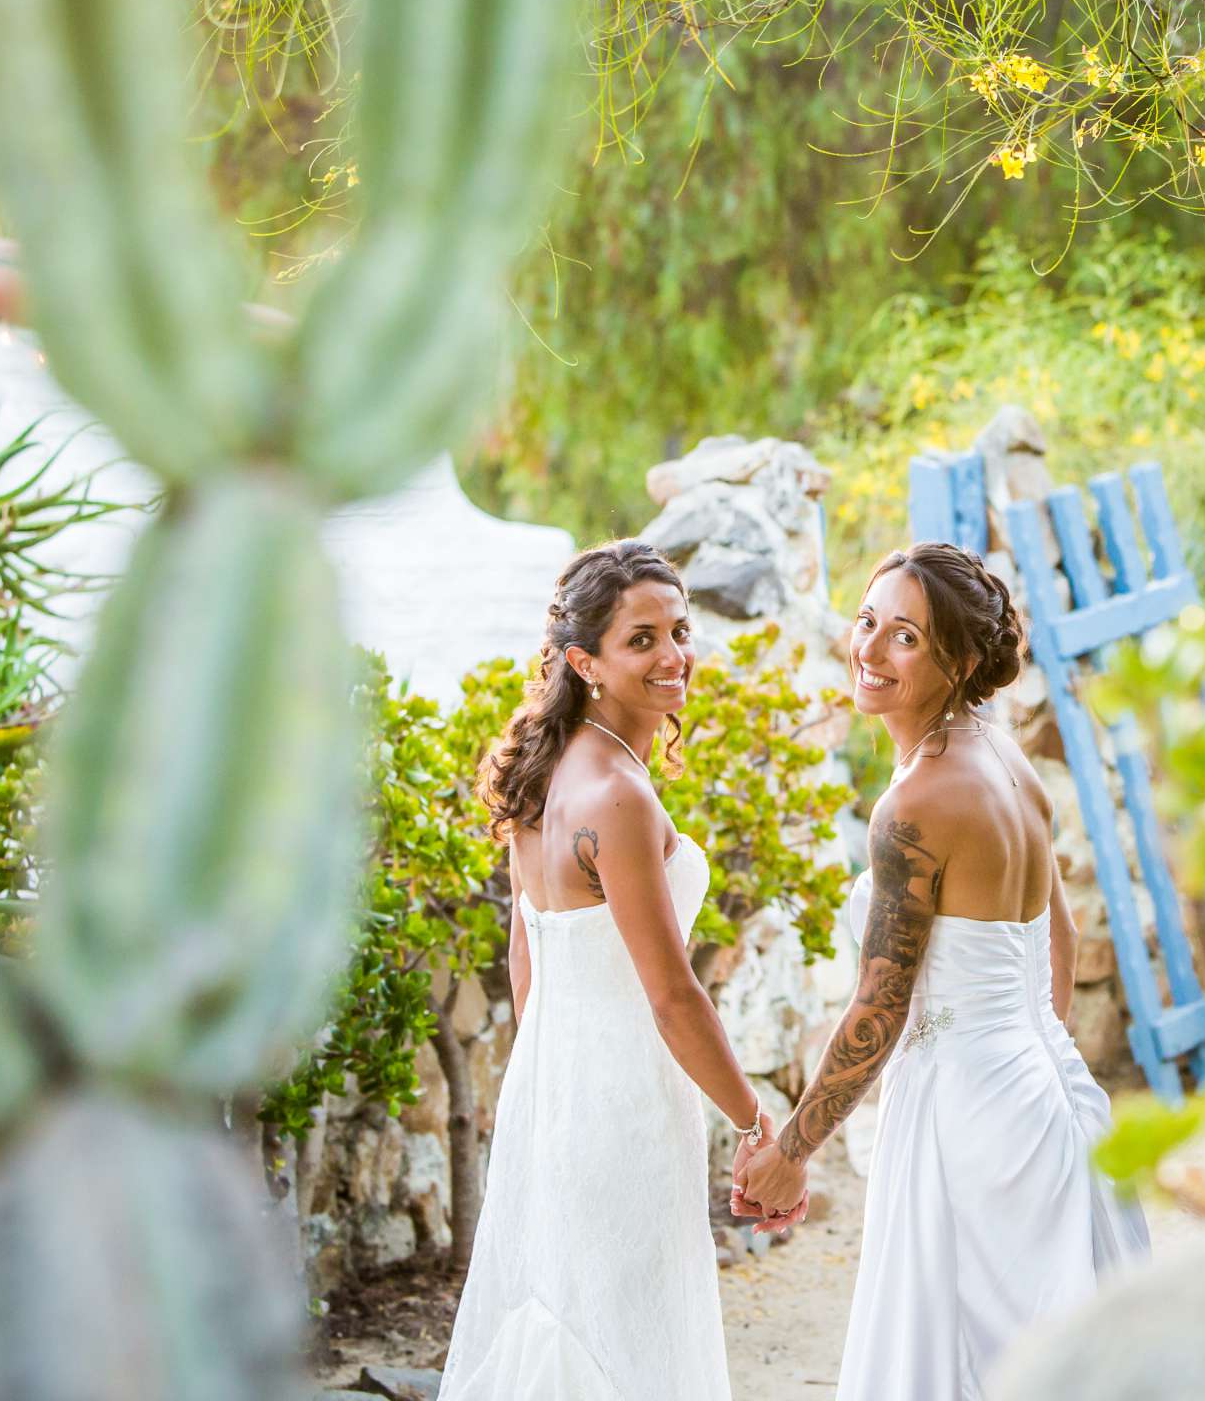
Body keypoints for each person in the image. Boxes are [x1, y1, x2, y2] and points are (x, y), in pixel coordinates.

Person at [736, 541, 1149, 1400]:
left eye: (906, 639)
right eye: (866, 622)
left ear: (959, 661)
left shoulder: (915, 803)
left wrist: (791, 1152)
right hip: (1043, 1093)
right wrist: (1028, 1051)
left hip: (965, 1114)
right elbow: (1057, 937)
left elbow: (878, 1009)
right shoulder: (1000, 754)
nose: (870, 650)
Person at [441, 540, 802, 1401]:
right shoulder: (618, 795)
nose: (674, 656)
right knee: (631, 1343)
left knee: (578, 1318)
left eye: (679, 631)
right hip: (625, 1102)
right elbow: (673, 996)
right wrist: (762, 1130)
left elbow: (526, 954)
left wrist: (550, 1088)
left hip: (559, 1088)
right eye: (641, 640)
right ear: (584, 661)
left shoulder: (546, 769)